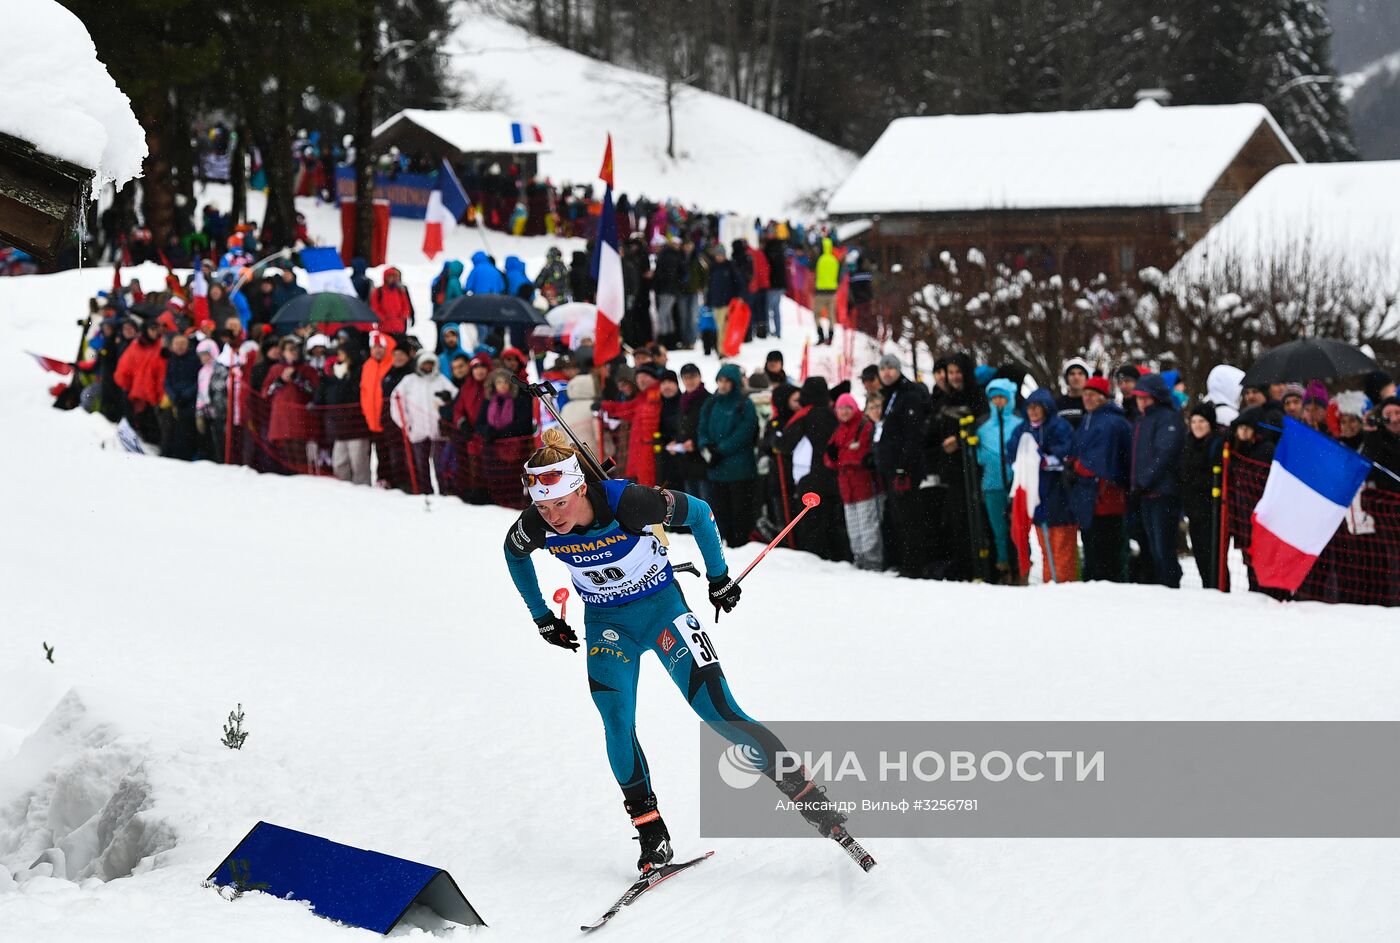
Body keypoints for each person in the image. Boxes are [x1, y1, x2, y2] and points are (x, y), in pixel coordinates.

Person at [503, 430, 858, 874]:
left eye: (560, 504)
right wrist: (542, 617)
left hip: (663, 611)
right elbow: (513, 555)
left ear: (580, 489)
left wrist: (718, 576)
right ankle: (651, 832)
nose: (552, 517)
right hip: (608, 625)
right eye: (542, 507)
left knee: (719, 713)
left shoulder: (628, 503)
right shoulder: (536, 525)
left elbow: (702, 513)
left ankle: (808, 797)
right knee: (616, 723)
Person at [873, 353, 932, 578]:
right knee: (899, 517)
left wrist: (903, 466)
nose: (887, 372)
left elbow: (913, 435)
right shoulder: (890, 395)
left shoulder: (908, 395)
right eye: (883, 368)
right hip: (892, 467)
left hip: (905, 469)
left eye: (891, 368)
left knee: (910, 518)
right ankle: (906, 562)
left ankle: (914, 566)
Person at [772, 377, 844, 560]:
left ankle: (814, 557)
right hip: (833, 474)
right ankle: (836, 555)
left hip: (809, 475)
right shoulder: (832, 413)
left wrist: (776, 438)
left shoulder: (805, 415)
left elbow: (786, 444)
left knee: (811, 522)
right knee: (831, 519)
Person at [1069, 377, 1132, 583]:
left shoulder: (1111, 422)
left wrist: (1077, 466)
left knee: (1106, 550)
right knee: (1092, 548)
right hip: (1089, 496)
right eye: (1085, 394)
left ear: (1103, 397)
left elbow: (1102, 461)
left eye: (1092, 394)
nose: (1086, 398)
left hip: (1105, 497)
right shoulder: (1090, 419)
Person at [1130, 373, 1186, 588]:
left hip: (1163, 493)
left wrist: (1143, 481)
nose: (1142, 402)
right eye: (1139, 398)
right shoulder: (1142, 420)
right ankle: (1163, 587)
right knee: (1154, 548)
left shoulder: (1167, 418)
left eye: (1146, 398)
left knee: (1164, 548)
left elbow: (1164, 454)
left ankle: (1171, 586)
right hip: (1146, 493)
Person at [697, 363, 759, 546]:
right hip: (716, 469)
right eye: (720, 380)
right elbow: (702, 428)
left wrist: (720, 449)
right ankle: (724, 540)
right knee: (719, 508)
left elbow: (745, 432)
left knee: (739, 510)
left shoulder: (744, 404)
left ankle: (739, 543)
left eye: (727, 381)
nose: (723, 385)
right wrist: (706, 447)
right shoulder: (711, 402)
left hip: (739, 469)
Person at [1024, 389, 1077, 583]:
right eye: (1030, 407)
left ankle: (1064, 587)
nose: (1034, 411)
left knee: (1063, 549)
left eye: (1037, 407)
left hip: (1061, 497)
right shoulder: (1025, 430)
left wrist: (1045, 458)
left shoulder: (1060, 427)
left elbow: (1067, 453)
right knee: (1046, 549)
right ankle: (1050, 586)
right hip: (1039, 501)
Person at [826, 392, 883, 569]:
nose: (843, 412)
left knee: (869, 527)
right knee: (854, 528)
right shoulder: (839, 430)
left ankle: (873, 562)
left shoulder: (864, 425)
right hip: (847, 488)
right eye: (840, 408)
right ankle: (860, 561)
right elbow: (829, 459)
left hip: (865, 486)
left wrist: (843, 458)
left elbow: (863, 455)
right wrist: (835, 457)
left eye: (847, 408)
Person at [975, 378, 1024, 582]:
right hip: (992, 485)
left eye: (1002, 397)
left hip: (1017, 485)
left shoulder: (1021, 423)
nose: (998, 402)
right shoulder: (983, 427)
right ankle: (1003, 569)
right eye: (994, 398)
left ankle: (1022, 568)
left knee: (1018, 529)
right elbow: (977, 457)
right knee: (998, 530)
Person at [390, 350, 457, 494]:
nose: (427, 366)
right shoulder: (409, 380)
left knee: (441, 464)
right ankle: (424, 491)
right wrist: (406, 424)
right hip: (417, 429)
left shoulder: (441, 380)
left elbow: (455, 395)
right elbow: (395, 400)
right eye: (425, 363)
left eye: (430, 364)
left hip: (439, 431)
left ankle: (445, 491)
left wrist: (447, 402)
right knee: (420, 464)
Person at [315, 337, 373, 485]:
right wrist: (333, 378)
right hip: (339, 428)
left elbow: (354, 395)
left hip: (357, 427)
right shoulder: (333, 374)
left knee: (359, 465)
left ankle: (364, 494)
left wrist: (344, 380)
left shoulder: (360, 371)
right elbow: (325, 397)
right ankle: (344, 495)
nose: (339, 357)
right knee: (339, 464)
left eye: (342, 354)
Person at [1179, 402, 1224, 587]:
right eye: (1194, 421)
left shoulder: (1217, 443)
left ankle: (1218, 588)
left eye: (1202, 421)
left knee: (1213, 556)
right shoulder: (1188, 443)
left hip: (1212, 509)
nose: (1197, 425)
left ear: (1210, 423)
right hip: (1194, 508)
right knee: (1200, 554)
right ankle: (1208, 586)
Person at [261, 336, 320, 472]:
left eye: (296, 349)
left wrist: (298, 379)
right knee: (284, 456)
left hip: (300, 421)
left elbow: (314, 392)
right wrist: (280, 381)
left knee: (300, 455)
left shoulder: (307, 369)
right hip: (281, 421)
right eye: (290, 349)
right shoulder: (275, 369)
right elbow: (266, 393)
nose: (294, 352)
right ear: (283, 352)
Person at [601, 364, 663, 486]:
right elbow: (626, 409)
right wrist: (604, 405)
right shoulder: (642, 397)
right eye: (639, 377)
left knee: (650, 487)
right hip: (641, 452)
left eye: (645, 376)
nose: (641, 380)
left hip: (651, 451)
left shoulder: (656, 395)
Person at [371, 267, 414, 334]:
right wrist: (383, 317)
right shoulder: (379, 291)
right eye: (390, 276)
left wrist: (402, 316)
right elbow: (374, 308)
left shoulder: (400, 291)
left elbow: (406, 306)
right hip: (384, 327)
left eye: (394, 277)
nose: (393, 279)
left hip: (399, 327)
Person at [813, 237, 838, 345]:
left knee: (817, 314)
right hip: (832, 291)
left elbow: (816, 273)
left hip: (821, 291)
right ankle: (831, 336)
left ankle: (821, 335)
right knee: (831, 315)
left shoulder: (820, 260)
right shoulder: (834, 260)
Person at [1057, 358, 1090, 428]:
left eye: (1080, 373)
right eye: (1072, 374)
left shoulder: (1093, 404)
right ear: (1066, 378)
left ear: (1086, 378)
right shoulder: (1057, 404)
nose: (1076, 377)